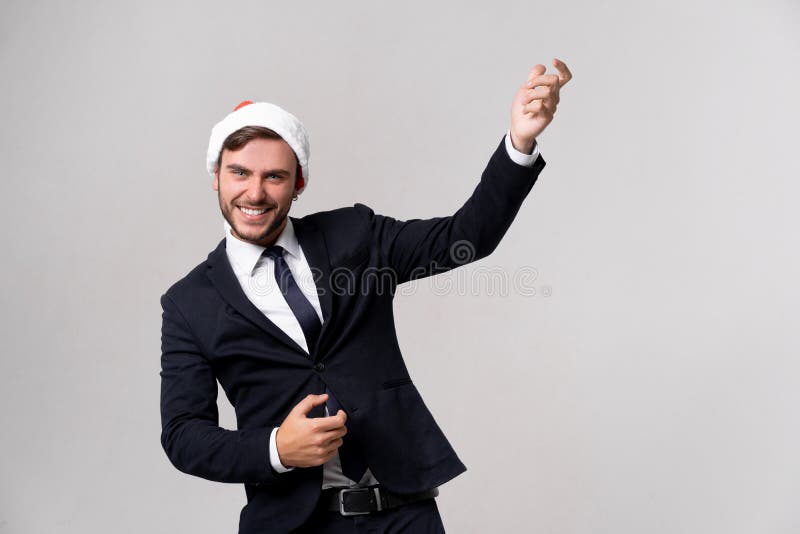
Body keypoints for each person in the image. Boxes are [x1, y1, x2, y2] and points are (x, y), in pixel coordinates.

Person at [159, 59, 572, 533]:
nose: (255, 192)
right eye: (239, 173)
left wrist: (519, 143)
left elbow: (466, 236)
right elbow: (184, 435)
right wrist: (275, 449)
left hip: (403, 513)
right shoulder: (189, 303)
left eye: (274, 176)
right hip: (292, 523)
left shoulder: (353, 235)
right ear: (216, 176)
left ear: (298, 184)